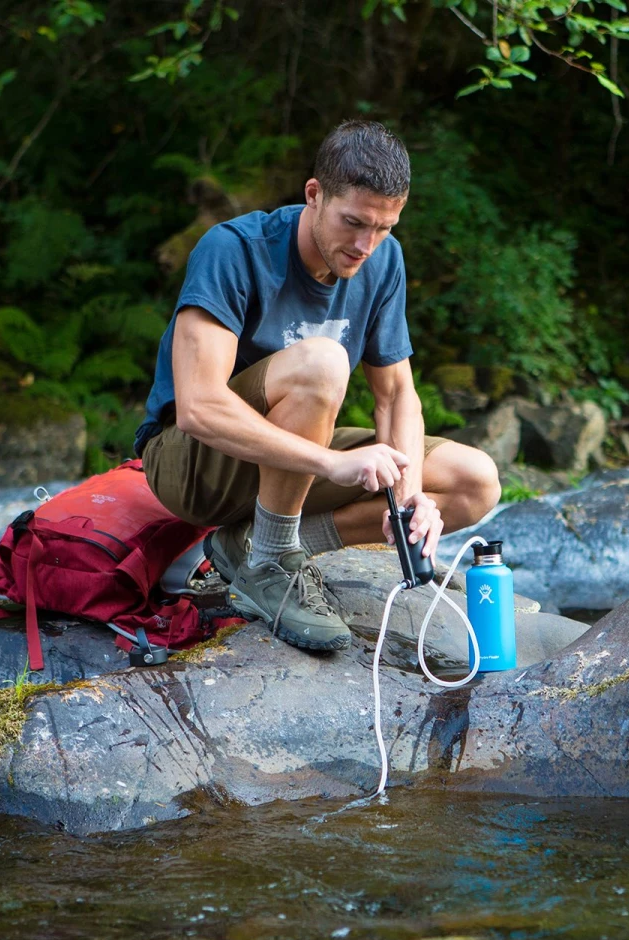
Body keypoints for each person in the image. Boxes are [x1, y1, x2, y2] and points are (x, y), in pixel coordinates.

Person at [135, 120, 501, 652]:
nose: (365, 245)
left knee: (474, 479)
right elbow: (199, 408)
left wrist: (411, 495)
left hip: (287, 464)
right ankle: (270, 562)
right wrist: (330, 463)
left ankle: (255, 545)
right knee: (324, 363)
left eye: (383, 228)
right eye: (353, 223)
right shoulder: (234, 249)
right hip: (193, 466)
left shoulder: (383, 261)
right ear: (314, 194)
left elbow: (396, 396)